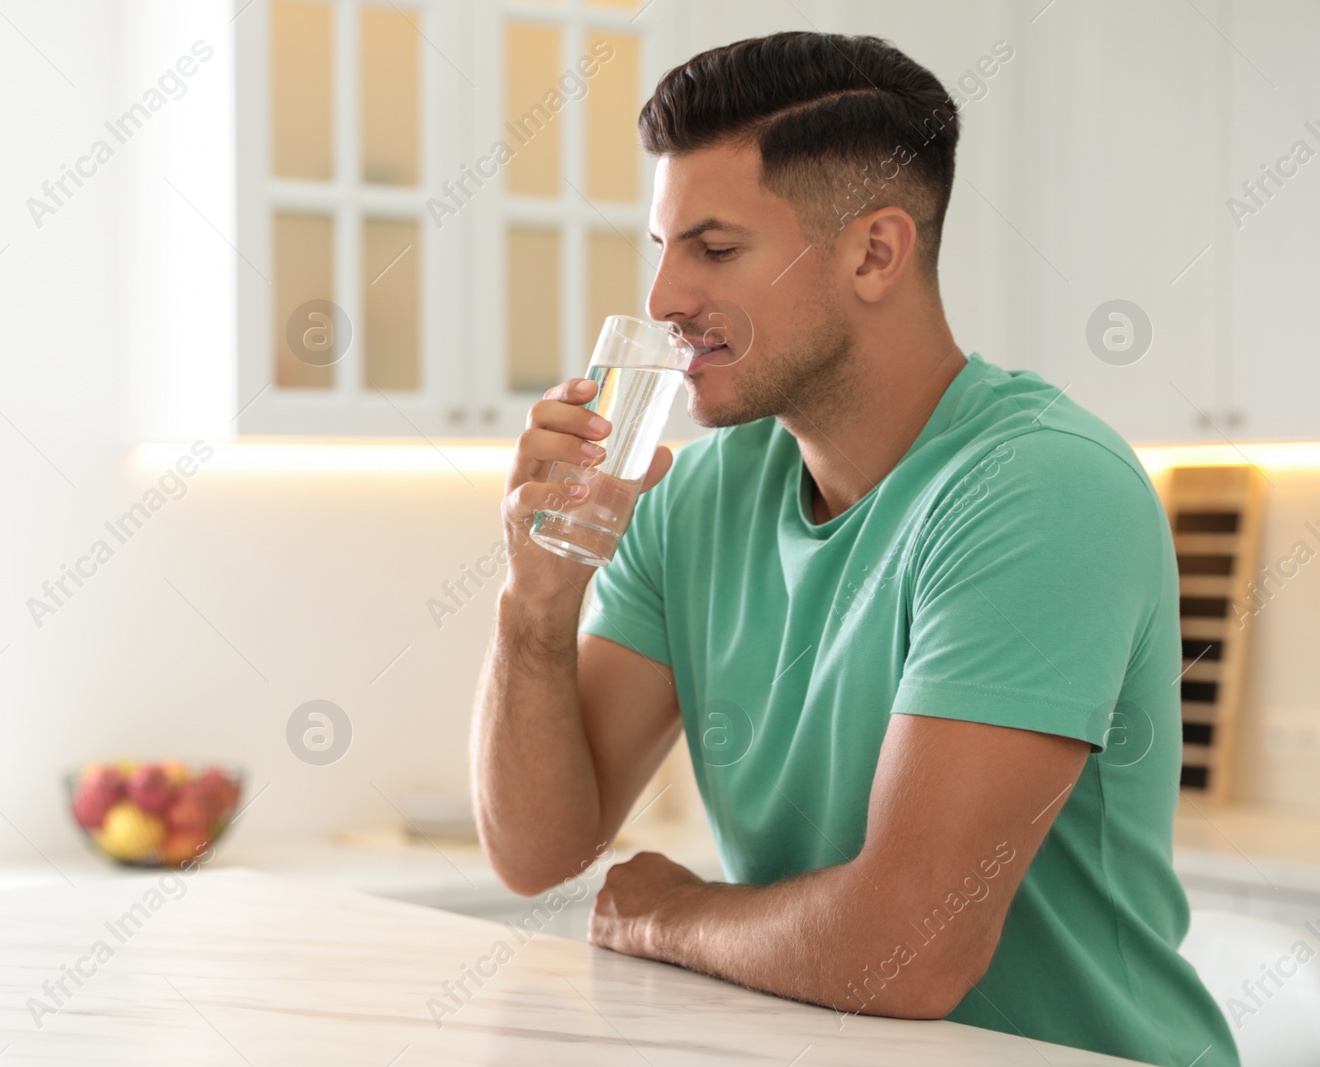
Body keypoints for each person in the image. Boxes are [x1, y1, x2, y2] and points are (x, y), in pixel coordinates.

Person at [473, 30, 1235, 1067]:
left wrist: (667, 915)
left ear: (874, 252)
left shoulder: (1037, 488)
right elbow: (535, 850)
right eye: (662, 247)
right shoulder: (690, 493)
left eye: (715, 247)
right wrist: (534, 600)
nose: (661, 302)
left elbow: (908, 949)